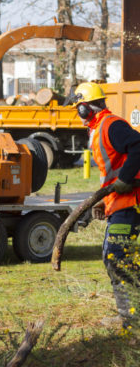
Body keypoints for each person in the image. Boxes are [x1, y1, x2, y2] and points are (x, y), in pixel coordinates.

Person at [73, 82, 140, 327]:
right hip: (118, 202)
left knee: (118, 257)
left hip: (129, 204)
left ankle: (132, 319)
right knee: (115, 257)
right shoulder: (100, 128)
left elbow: (138, 146)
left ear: (86, 108)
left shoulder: (111, 125)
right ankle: (130, 315)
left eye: (78, 110)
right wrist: (103, 200)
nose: (78, 118)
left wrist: (124, 180)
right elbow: (110, 173)